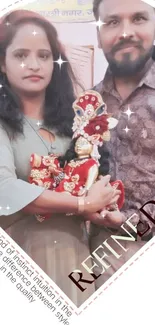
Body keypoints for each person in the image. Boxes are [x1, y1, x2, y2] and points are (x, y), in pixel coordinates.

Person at [0, 9, 120, 306]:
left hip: (79, 250)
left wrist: (102, 209)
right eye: (21, 55)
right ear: (2, 63)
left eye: (44, 55)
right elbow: (4, 189)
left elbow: (93, 175)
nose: (34, 65)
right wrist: (82, 203)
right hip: (24, 255)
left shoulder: (73, 122)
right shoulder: (3, 124)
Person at [90, 0, 155, 288]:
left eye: (139, 18)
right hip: (96, 252)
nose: (125, 32)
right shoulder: (87, 103)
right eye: (112, 22)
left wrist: (130, 222)